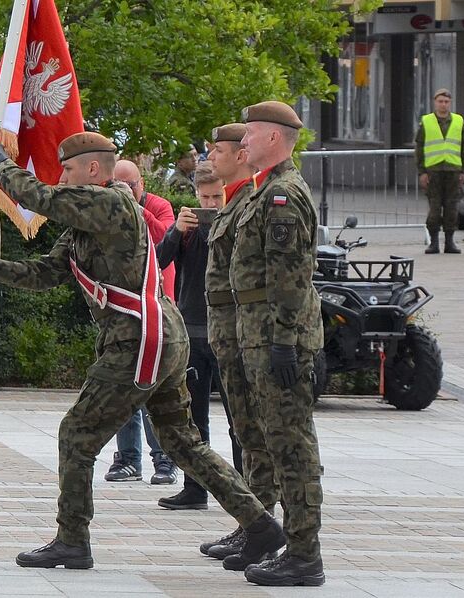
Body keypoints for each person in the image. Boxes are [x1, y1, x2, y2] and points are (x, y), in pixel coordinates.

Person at [0, 132, 284, 571]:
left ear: (93, 170)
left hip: (139, 339)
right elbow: (49, 273)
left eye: (69, 170)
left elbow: (42, 198)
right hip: (157, 336)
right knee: (182, 442)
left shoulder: (111, 203)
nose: (63, 179)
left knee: (77, 434)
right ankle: (261, 526)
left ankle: (72, 540)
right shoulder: (88, 221)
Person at [226, 101, 326, 586]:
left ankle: (305, 555)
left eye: (249, 133)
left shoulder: (283, 195)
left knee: (292, 447)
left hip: (277, 338)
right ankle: (293, 547)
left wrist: (284, 341)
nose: (242, 141)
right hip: (260, 337)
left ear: (273, 138)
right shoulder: (265, 190)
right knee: (275, 441)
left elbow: (289, 276)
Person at [199, 124, 281, 560]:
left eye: (219, 150)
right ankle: (253, 523)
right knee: (246, 433)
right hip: (230, 334)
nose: (211, 156)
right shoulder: (234, 202)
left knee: (260, 435)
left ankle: (264, 525)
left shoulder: (254, 199)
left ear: (240, 156)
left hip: (250, 333)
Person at [153, 161, 230, 511]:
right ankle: (195, 487)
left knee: (239, 420)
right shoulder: (187, 228)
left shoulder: (238, 222)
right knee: (194, 419)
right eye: (205, 197)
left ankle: (244, 492)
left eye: (217, 196)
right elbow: (158, 261)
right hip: (194, 331)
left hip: (230, 332)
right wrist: (175, 230)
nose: (211, 204)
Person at [105, 159, 177, 485]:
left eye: (130, 185)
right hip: (123, 311)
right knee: (122, 388)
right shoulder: (110, 211)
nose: (124, 191)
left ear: (141, 183)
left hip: (157, 310)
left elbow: (164, 239)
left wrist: (135, 206)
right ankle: (128, 458)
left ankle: (164, 459)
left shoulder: (160, 207)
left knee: (153, 388)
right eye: (117, 186)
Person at [415, 88, 464, 254]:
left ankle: (450, 242)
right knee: (435, 209)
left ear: (450, 103)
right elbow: (419, 148)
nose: (443, 105)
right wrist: (421, 172)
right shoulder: (427, 121)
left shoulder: (459, 121)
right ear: (435, 102)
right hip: (433, 172)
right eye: (440, 101)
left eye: (446, 101)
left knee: (452, 208)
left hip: (453, 171)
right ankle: (434, 243)